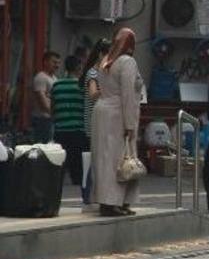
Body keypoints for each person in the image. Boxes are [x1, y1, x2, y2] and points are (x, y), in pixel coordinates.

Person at [91, 28, 144, 217]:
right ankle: (116, 202)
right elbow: (129, 94)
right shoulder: (127, 62)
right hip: (119, 114)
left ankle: (109, 201)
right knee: (120, 160)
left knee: (105, 159)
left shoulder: (105, 61)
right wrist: (130, 125)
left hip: (102, 111)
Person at [80, 38, 111, 205]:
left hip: (101, 122)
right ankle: (88, 194)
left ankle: (95, 194)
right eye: (107, 53)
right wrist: (108, 88)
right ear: (100, 54)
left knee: (100, 159)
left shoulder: (103, 72)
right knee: (96, 159)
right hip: (94, 123)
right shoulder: (93, 73)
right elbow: (92, 94)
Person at [52, 56, 86, 187]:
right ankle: (78, 185)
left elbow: (53, 108)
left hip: (60, 130)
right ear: (79, 68)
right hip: (78, 130)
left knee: (61, 161)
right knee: (77, 164)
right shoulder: (82, 86)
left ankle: (57, 184)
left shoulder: (57, 85)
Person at [32, 51, 61, 143]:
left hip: (51, 119)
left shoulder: (55, 79)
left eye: (58, 63)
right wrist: (55, 114)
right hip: (43, 120)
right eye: (54, 62)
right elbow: (42, 101)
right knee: (44, 148)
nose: (57, 65)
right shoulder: (41, 77)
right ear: (45, 62)